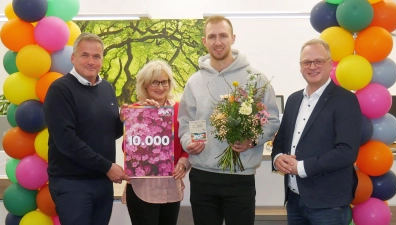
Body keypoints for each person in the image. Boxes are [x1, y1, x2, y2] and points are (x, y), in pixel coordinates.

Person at [178, 16, 280, 225]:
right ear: (204, 41)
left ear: (233, 38)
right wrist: (187, 142)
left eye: (223, 35)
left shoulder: (256, 79)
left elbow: (272, 121)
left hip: (240, 178)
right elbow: (185, 122)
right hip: (202, 176)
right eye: (212, 36)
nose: (218, 42)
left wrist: (252, 141)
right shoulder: (194, 82)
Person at [271, 38, 362, 225]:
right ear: (300, 66)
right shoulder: (293, 100)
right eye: (306, 62)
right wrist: (278, 157)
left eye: (319, 61)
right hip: (294, 201)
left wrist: (301, 168)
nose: (312, 66)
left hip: (329, 204)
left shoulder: (346, 100)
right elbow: (281, 140)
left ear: (330, 65)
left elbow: (346, 151)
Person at [43, 33, 129, 225]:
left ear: (102, 60)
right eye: (85, 55)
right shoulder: (60, 90)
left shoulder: (107, 88)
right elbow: (66, 141)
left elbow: (109, 133)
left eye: (96, 56)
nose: (91, 61)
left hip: (102, 181)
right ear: (73, 58)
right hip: (72, 183)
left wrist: (123, 121)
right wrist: (107, 167)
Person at [122, 60, 190, 225]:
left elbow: (187, 142)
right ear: (145, 85)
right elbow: (127, 148)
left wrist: (183, 163)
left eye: (164, 82)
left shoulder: (180, 110)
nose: (160, 87)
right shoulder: (136, 110)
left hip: (170, 186)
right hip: (143, 189)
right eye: (155, 82)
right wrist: (147, 117)